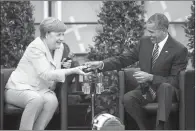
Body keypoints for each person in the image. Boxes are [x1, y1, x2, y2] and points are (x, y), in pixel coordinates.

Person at [84, 13, 188, 130]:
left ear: (163, 30)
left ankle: (161, 128)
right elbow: (124, 59)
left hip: (167, 91)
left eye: (152, 32)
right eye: (148, 31)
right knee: (128, 98)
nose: (149, 35)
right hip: (147, 90)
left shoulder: (179, 50)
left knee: (165, 87)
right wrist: (102, 64)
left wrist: (151, 77)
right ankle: (146, 128)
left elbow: (175, 80)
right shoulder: (145, 42)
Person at [4, 17, 88, 130]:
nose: (62, 38)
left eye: (63, 34)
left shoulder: (60, 47)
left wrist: (63, 66)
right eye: (58, 35)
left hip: (40, 90)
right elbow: (46, 74)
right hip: (18, 89)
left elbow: (53, 69)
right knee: (35, 100)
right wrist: (72, 70)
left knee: (52, 101)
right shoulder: (35, 47)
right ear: (47, 34)